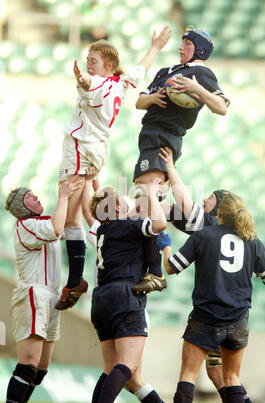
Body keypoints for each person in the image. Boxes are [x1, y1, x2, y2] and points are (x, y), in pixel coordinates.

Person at [55, 26, 172, 310]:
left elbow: (86, 84)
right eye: (87, 60)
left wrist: (80, 77)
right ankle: (75, 281)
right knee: (79, 214)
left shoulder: (97, 82)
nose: (88, 64)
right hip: (94, 149)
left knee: (71, 219)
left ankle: (74, 281)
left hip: (81, 148)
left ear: (107, 65)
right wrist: (155, 46)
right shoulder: (120, 81)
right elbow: (140, 69)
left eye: (92, 60)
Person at [158, 192, 265, 403]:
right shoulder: (251, 239)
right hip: (238, 320)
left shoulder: (205, 234)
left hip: (206, 318)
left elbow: (171, 267)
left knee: (188, 375)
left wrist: (165, 246)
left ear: (219, 212)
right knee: (231, 378)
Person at [83, 175, 172, 403]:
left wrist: (91, 185)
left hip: (101, 297)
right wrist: (152, 193)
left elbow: (93, 208)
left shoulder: (102, 230)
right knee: (128, 365)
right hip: (124, 296)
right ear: (119, 207)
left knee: (110, 366)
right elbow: (160, 224)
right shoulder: (126, 226)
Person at [3, 176, 84, 403]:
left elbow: (68, 221)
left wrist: (83, 185)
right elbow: (57, 228)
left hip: (50, 297)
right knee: (28, 364)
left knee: (40, 371)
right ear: (21, 207)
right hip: (33, 294)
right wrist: (63, 195)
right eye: (29, 196)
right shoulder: (26, 225)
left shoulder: (42, 223)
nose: (35, 196)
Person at [133, 26, 230, 189]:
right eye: (181, 42)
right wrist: (153, 98)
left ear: (201, 50)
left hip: (163, 136)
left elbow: (221, 107)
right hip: (149, 136)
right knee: (148, 192)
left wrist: (196, 88)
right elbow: (139, 103)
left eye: (187, 43)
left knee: (147, 189)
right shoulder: (165, 72)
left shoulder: (200, 73)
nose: (181, 47)